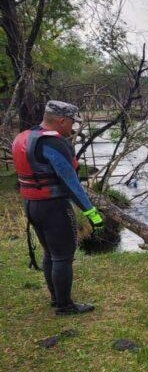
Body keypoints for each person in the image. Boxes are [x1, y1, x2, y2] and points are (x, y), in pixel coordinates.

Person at [11, 100, 104, 315]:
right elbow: (69, 181)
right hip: (54, 206)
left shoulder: (24, 137)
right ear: (61, 120)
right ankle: (65, 306)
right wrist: (92, 213)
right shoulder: (54, 143)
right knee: (63, 256)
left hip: (31, 204)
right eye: (72, 122)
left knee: (50, 252)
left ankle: (56, 298)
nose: (73, 127)